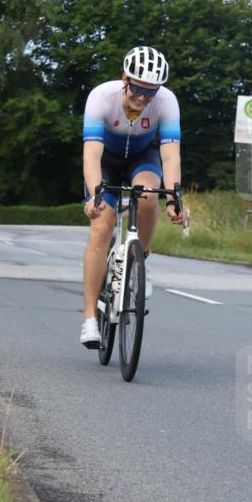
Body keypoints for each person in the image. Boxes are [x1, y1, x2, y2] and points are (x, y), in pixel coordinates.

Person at [80, 46, 186, 348]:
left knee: (150, 195)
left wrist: (174, 198)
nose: (142, 98)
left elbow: (170, 154)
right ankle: (89, 318)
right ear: (125, 78)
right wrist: (94, 193)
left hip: (142, 157)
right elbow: (91, 154)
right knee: (102, 226)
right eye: (138, 89)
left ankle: (141, 259)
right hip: (106, 162)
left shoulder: (166, 102)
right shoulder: (101, 97)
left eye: (150, 93)